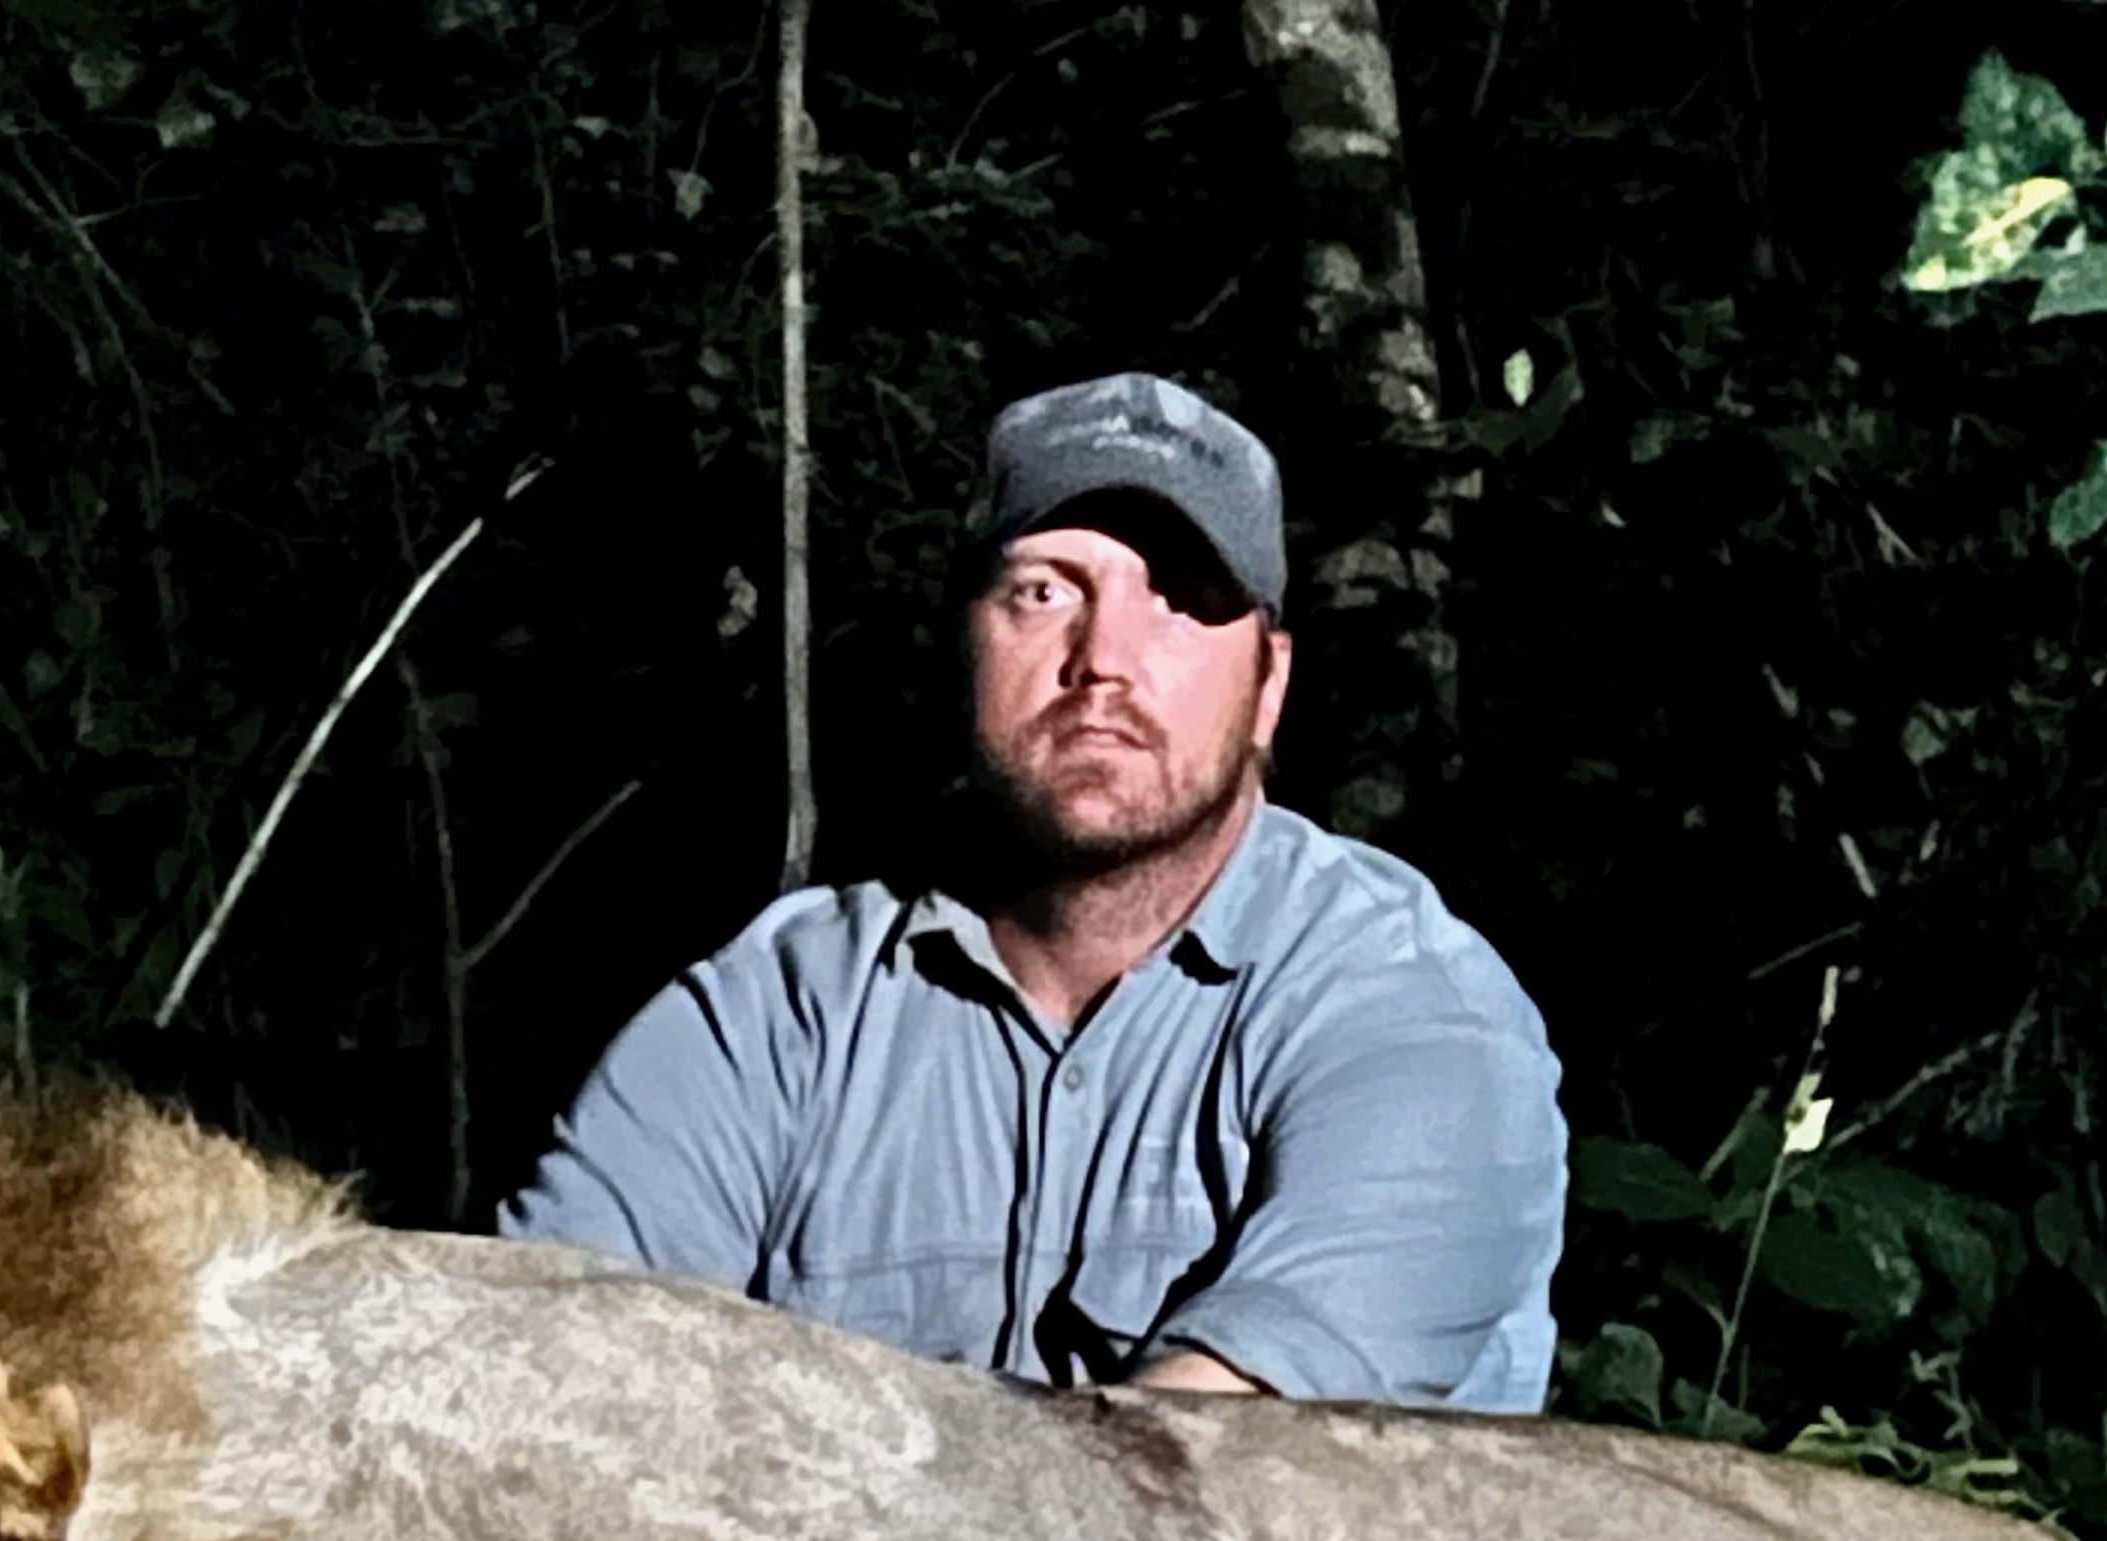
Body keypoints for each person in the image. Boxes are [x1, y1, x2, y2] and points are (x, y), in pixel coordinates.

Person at [499, 373, 1567, 1410]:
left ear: (1268, 684)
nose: (1104, 658)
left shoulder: (1407, 1007)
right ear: (965, 643)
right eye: (1045, 590)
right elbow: (544, 1376)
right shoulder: (777, 1014)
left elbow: (1222, 1455)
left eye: (1180, 602)